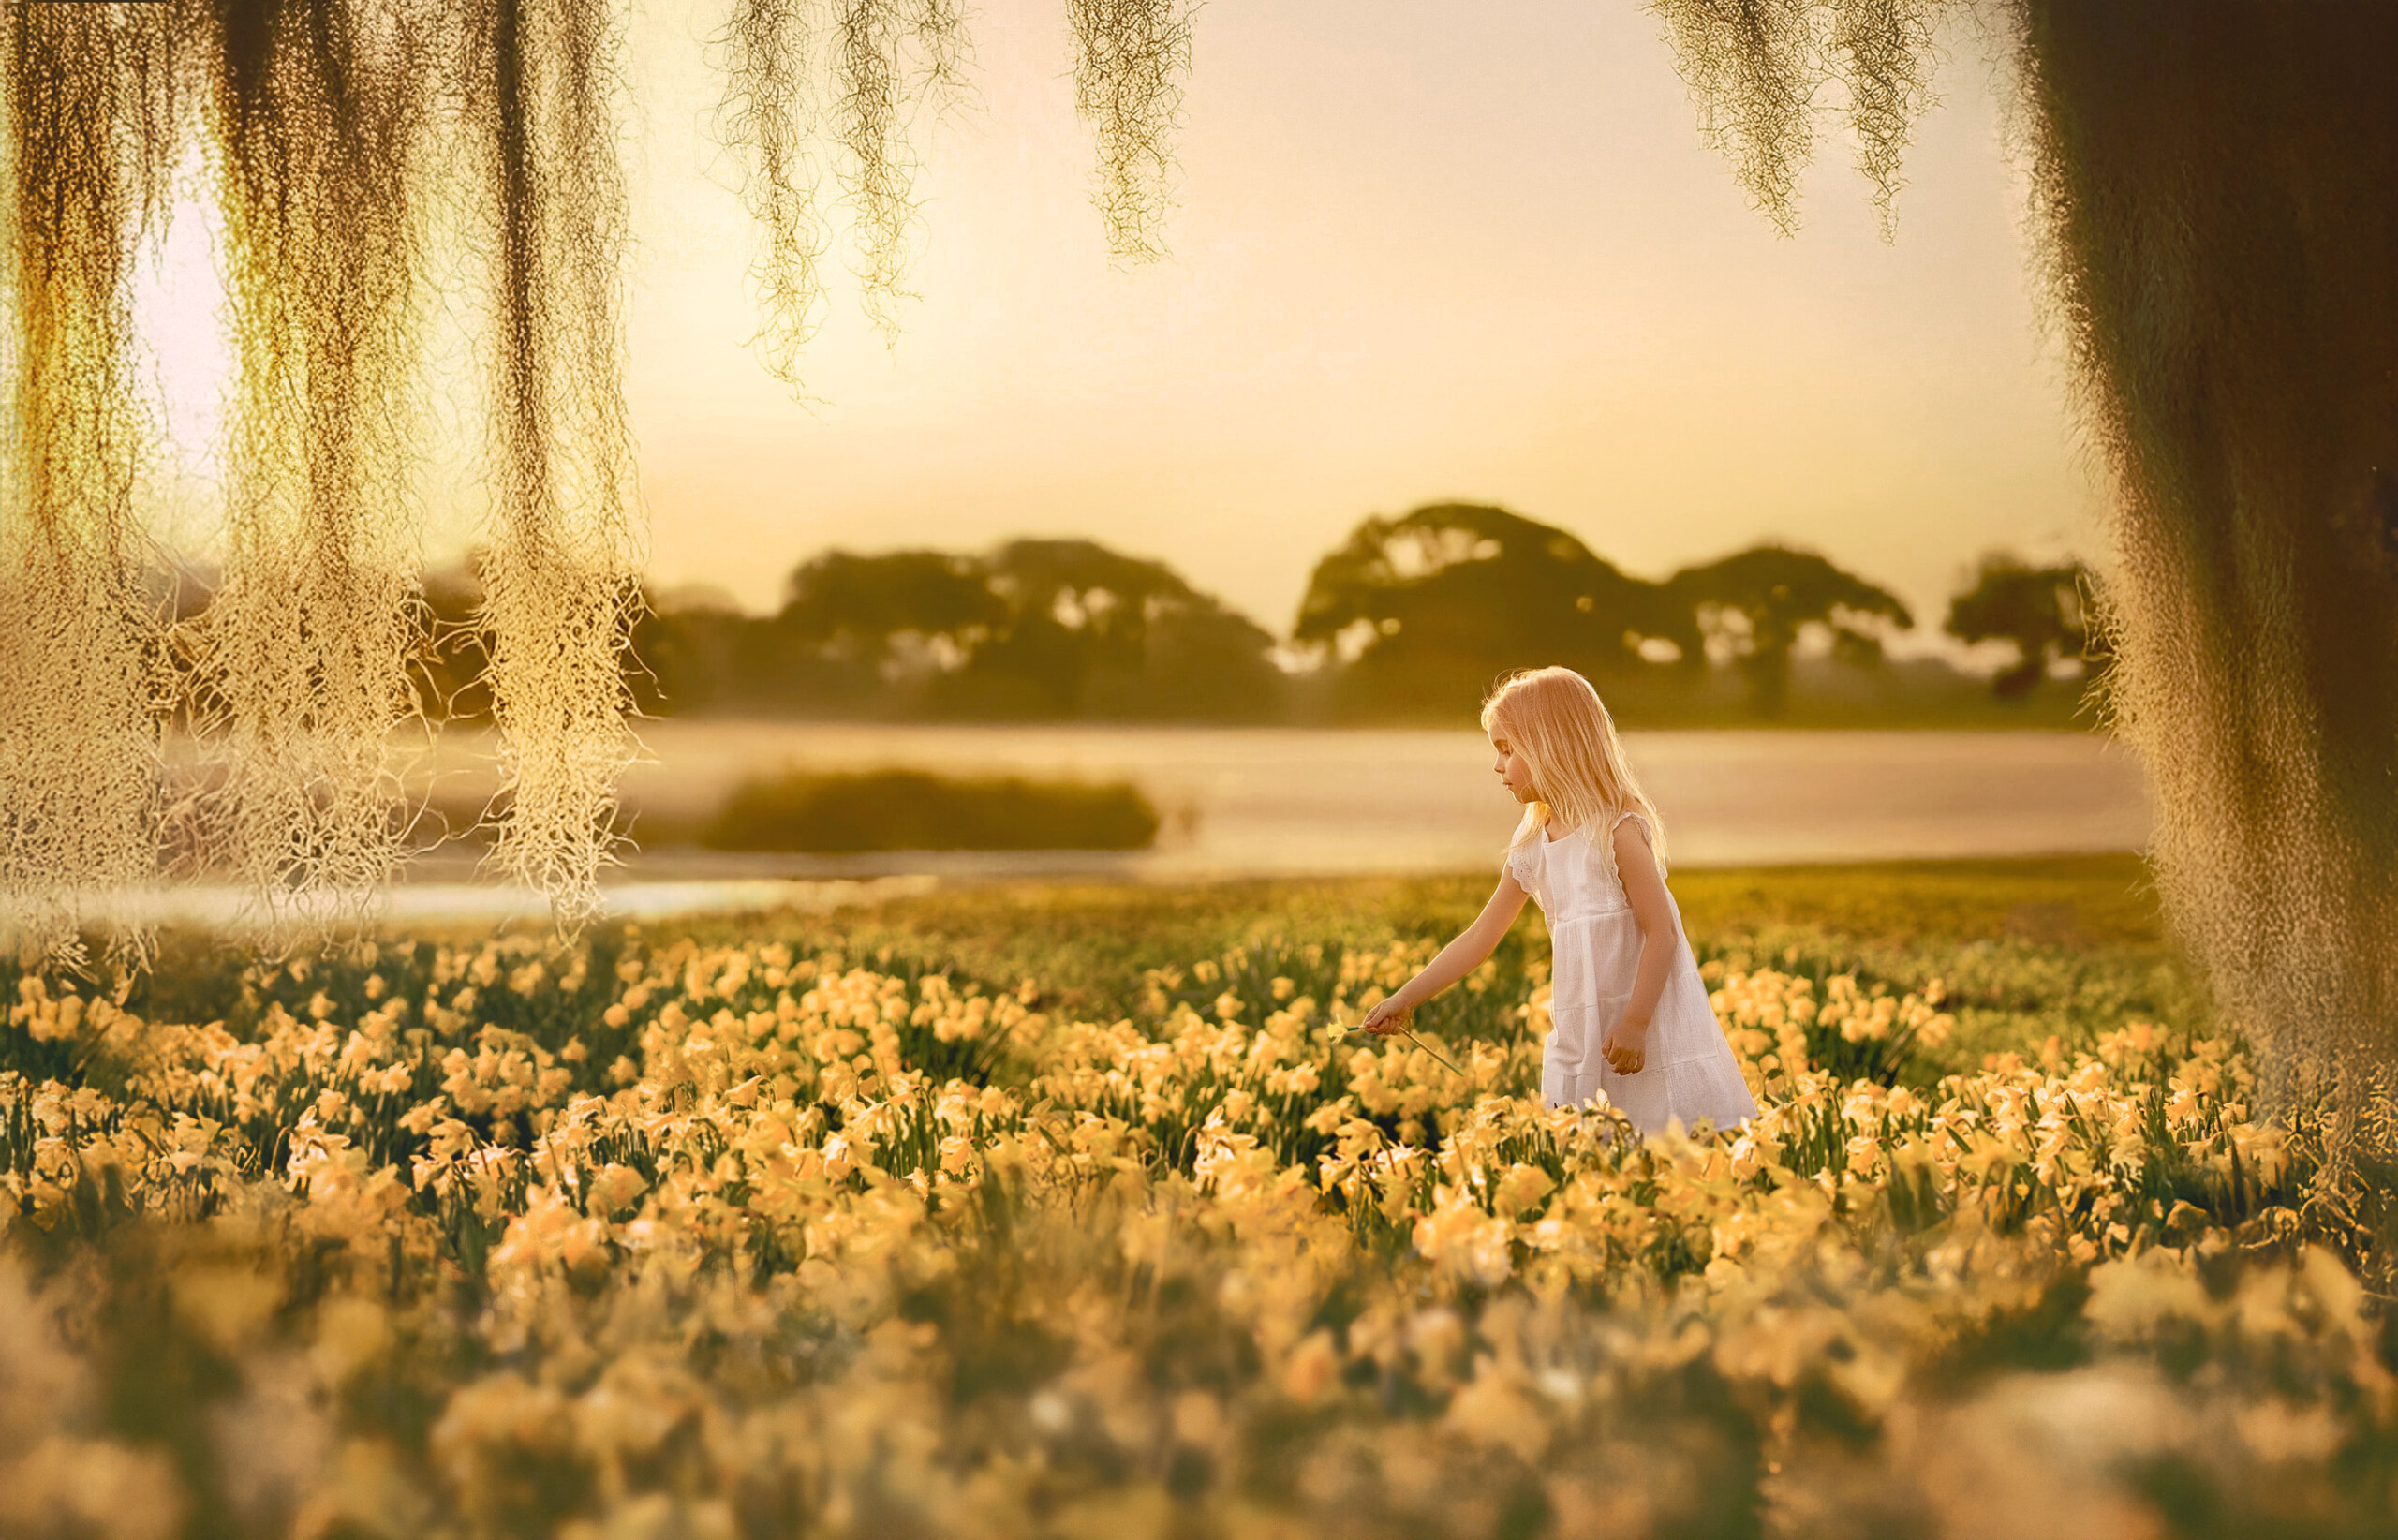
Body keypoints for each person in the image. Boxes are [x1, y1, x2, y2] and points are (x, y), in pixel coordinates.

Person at [1359, 666, 1757, 1135]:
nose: (1497, 766)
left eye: (1507, 749)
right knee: (1587, 1142)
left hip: (1642, 1025)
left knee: (1661, 1137)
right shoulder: (1533, 845)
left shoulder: (1616, 831)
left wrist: (1636, 1023)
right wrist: (1405, 999)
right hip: (1582, 1030)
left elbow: (1662, 932)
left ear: (1550, 746)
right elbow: (1480, 937)